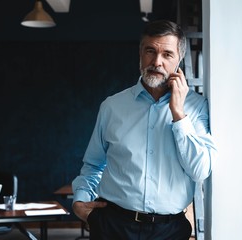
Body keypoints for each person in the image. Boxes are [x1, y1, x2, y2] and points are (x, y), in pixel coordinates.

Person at [72, 19, 218, 240]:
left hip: (170, 231)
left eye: (167, 54)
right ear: (140, 54)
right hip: (112, 226)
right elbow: (93, 164)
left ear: (178, 59)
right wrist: (80, 203)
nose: (157, 62)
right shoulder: (112, 106)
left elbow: (200, 170)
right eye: (150, 51)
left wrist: (178, 114)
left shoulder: (196, 108)